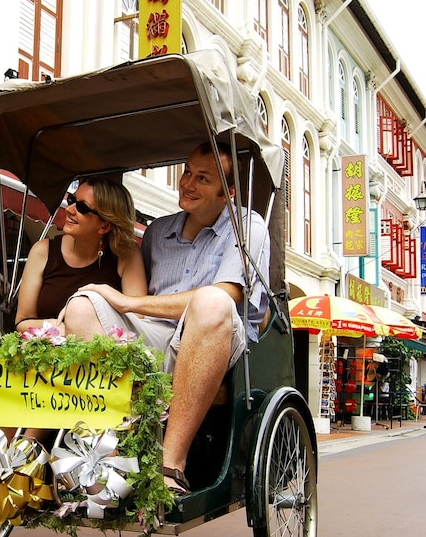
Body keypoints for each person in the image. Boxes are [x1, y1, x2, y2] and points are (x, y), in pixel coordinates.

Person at [60, 141, 269, 494]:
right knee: (84, 303)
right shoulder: (158, 231)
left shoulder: (248, 225)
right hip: (160, 338)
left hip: (218, 341)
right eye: (187, 172)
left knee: (211, 301)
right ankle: (104, 452)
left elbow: (230, 296)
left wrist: (129, 304)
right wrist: (106, 298)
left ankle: (170, 465)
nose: (187, 184)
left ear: (227, 193)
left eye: (203, 179)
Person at [14, 177, 147, 333]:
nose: (69, 209)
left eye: (82, 207)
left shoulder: (126, 254)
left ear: (104, 226)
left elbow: (137, 319)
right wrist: (58, 328)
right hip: (46, 351)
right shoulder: (42, 251)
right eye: (71, 199)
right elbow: (22, 322)